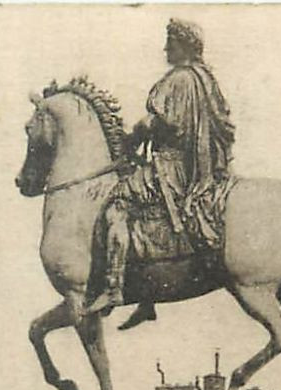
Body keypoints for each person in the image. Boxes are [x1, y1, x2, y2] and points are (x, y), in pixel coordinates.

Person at [86, 17, 237, 323]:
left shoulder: (179, 78)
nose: (165, 48)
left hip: (173, 165)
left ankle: (114, 287)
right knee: (148, 219)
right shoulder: (204, 79)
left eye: (171, 42)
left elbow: (155, 122)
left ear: (183, 46)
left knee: (117, 206)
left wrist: (131, 139)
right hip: (192, 164)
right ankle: (147, 297)